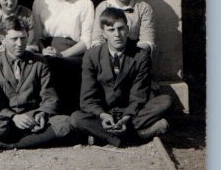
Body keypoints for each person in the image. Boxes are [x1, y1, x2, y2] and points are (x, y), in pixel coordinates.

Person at [71, 8, 172, 147]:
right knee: (77, 118)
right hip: (103, 113)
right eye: (111, 30)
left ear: (128, 29)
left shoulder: (140, 56)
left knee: (165, 101)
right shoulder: (92, 55)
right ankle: (135, 136)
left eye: (121, 29)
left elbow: (139, 95)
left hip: (131, 112)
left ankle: (104, 136)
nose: (117, 35)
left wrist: (126, 117)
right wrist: (103, 115)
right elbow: (87, 98)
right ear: (104, 33)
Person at [0, 18, 72, 152]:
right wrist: (14, 116)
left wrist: (42, 113)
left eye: (23, 38)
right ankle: (33, 139)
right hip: (7, 118)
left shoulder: (39, 62)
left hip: (32, 116)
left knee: (66, 123)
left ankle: (11, 145)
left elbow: (49, 96)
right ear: (2, 39)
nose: (19, 44)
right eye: (14, 39)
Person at [32, 0, 94, 113]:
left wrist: (62, 55)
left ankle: (71, 114)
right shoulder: (41, 2)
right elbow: (38, 36)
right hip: (47, 50)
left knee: (67, 69)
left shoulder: (84, 3)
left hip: (73, 52)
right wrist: (45, 50)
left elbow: (86, 41)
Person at [91, 0, 155, 52]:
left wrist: (128, 54)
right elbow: (97, 39)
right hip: (108, 53)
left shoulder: (143, 7)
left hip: (135, 52)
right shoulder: (103, 7)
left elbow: (147, 40)